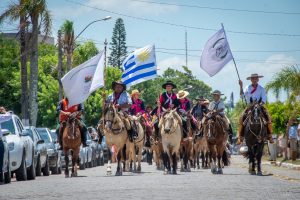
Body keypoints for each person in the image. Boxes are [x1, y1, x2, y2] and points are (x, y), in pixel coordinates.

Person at [237, 73, 274, 145]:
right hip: (250, 106)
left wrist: (259, 104)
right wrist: (241, 86)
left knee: (267, 117)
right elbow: (242, 96)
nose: (254, 80)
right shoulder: (247, 87)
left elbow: (264, 100)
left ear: (258, 79)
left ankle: (270, 136)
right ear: (251, 80)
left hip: (260, 106)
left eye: (255, 78)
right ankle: (240, 137)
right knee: (242, 117)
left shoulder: (261, 89)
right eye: (252, 78)